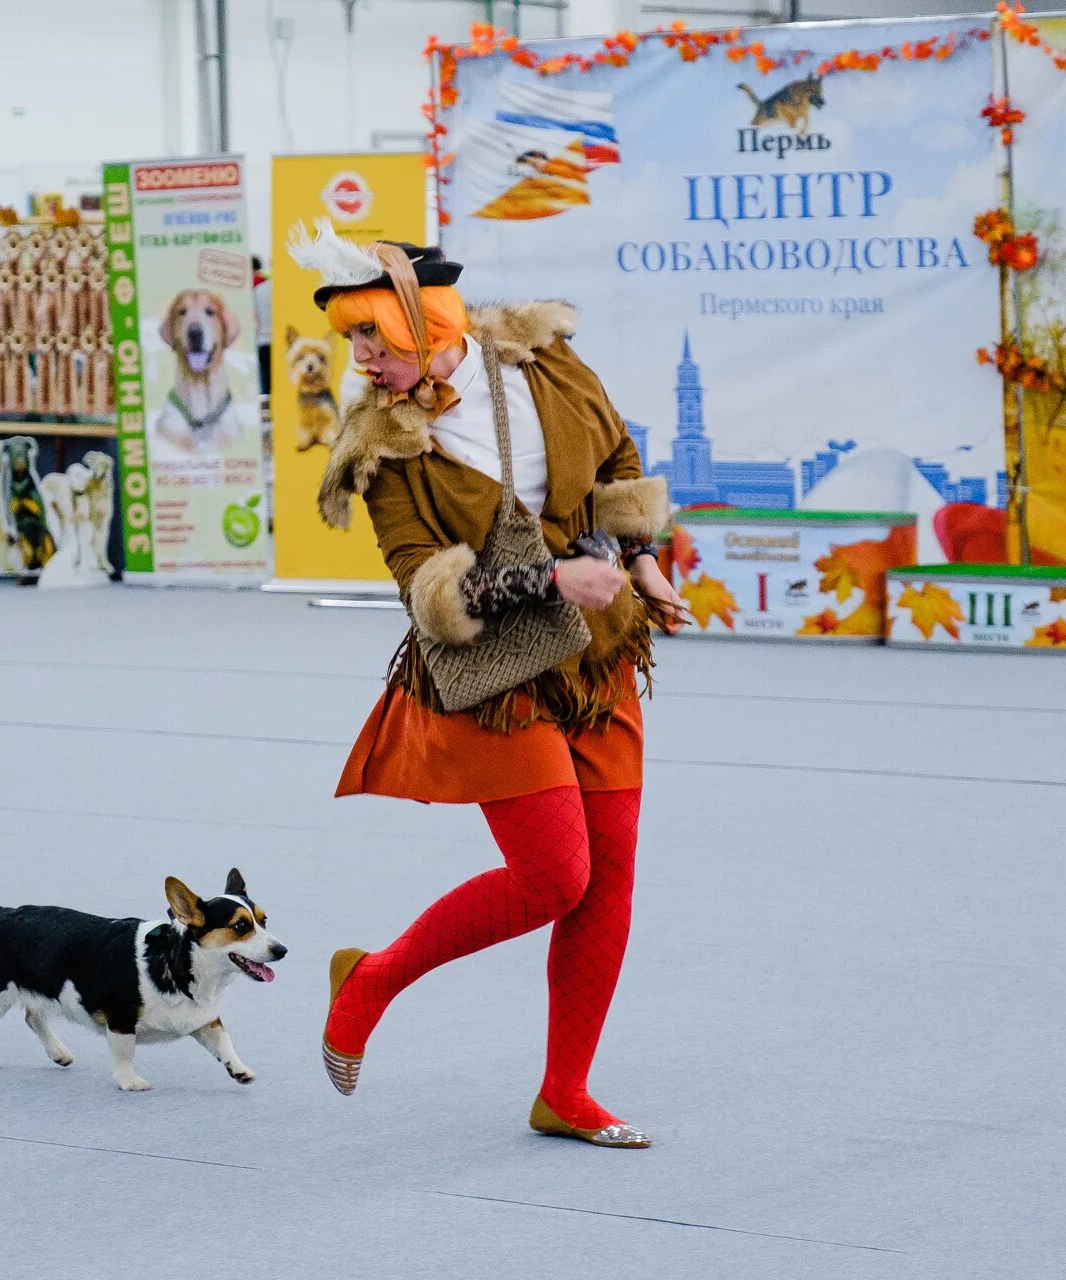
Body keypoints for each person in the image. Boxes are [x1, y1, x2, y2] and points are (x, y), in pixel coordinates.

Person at [290, 224, 686, 1148]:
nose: (361, 361)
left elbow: (618, 461)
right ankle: (374, 977)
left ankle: (566, 1092)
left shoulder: (543, 363)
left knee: (611, 877)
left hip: (594, 658)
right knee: (556, 876)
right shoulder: (379, 451)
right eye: (352, 341)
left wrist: (644, 561)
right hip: (491, 674)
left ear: (427, 325)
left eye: (373, 339)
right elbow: (428, 592)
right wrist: (551, 580)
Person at [251, 255, 272, 398]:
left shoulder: (258, 289)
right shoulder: (283, 289)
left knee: (265, 384)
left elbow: (255, 319)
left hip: (262, 341)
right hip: (279, 341)